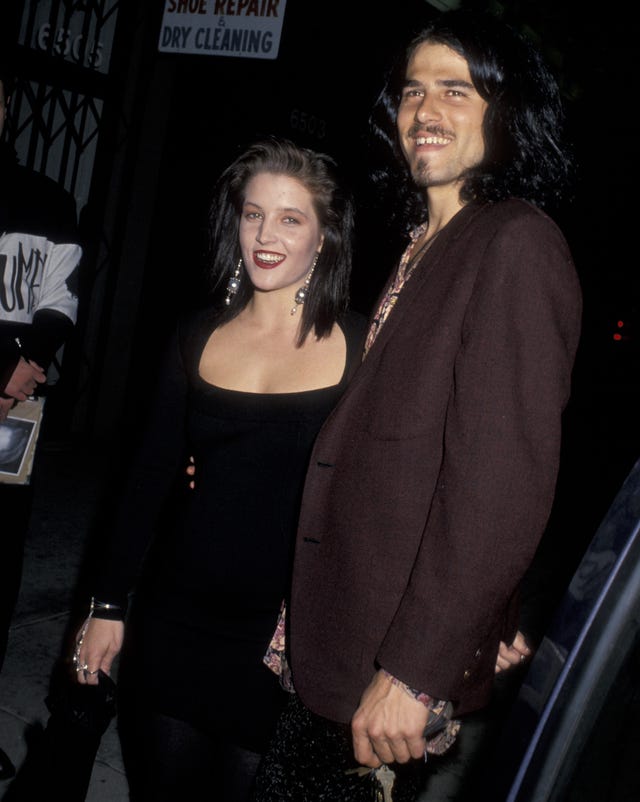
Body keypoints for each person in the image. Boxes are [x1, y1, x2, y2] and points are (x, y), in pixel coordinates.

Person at [253, 8, 583, 801]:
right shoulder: (426, 243)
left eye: (457, 92)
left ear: (507, 115)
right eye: (411, 92)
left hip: (387, 668)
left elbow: (500, 484)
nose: (424, 112)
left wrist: (418, 666)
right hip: (346, 634)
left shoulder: (515, 244)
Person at [70, 137, 367, 801]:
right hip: (176, 623)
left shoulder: (361, 350)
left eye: (291, 219)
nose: (266, 235)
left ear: (324, 239)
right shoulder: (194, 337)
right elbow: (144, 482)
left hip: (283, 644)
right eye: (253, 214)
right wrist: (108, 606)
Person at [0, 62, 81, 779]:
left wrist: (27, 366)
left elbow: (61, 295)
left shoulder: (46, 202)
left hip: (14, 404)